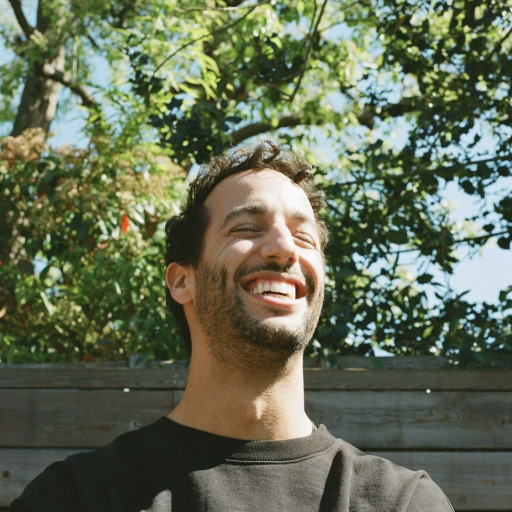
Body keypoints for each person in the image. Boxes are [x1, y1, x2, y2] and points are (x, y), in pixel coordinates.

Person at [10, 141, 454, 511]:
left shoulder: (401, 502)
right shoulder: (77, 497)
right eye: (246, 227)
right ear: (183, 280)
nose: (284, 249)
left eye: (304, 238)